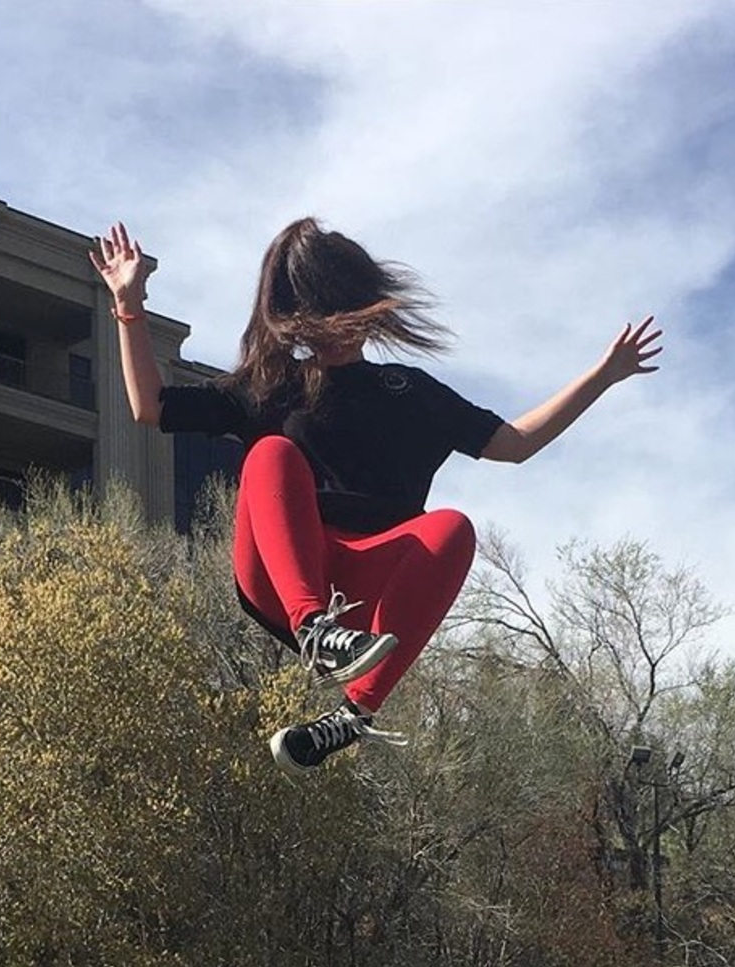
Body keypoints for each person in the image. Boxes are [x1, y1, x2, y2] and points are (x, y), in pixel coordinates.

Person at [89, 219, 662, 777]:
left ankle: (353, 714)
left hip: (365, 587)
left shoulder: (408, 393)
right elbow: (149, 406)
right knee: (271, 455)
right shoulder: (271, 387)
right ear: (302, 320)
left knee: (451, 527)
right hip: (286, 574)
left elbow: (515, 444)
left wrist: (603, 376)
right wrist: (128, 306)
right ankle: (314, 627)